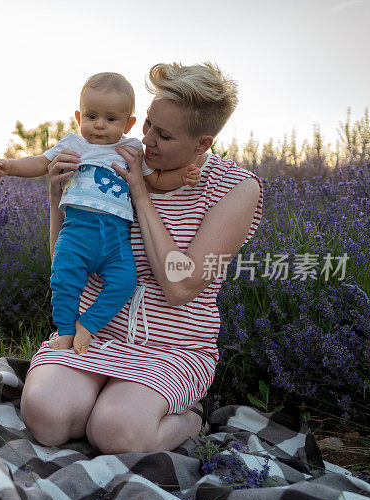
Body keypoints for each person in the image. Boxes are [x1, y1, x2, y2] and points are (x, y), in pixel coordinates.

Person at [20, 62, 264, 454]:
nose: (145, 139)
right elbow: (64, 263)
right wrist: (56, 197)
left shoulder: (235, 188)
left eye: (163, 135)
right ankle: (103, 401)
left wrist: (139, 193)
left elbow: (179, 285)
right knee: (45, 417)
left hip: (174, 349)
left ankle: (189, 415)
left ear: (202, 144)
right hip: (94, 334)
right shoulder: (109, 153)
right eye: (147, 124)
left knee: (118, 433)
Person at [0, 73, 199, 354]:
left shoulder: (131, 150)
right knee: (63, 279)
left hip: (115, 239)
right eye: (91, 116)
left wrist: (183, 177)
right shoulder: (73, 145)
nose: (99, 125)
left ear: (128, 123)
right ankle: (65, 331)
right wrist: (10, 167)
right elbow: (39, 162)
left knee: (125, 282)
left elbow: (156, 180)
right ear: (79, 116)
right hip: (77, 230)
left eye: (111, 119)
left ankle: (87, 325)